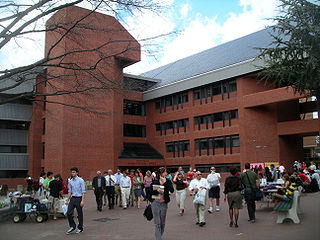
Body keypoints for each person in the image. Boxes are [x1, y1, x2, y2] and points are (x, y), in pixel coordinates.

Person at [149, 167, 174, 240]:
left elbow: (172, 190)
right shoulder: (155, 181)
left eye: (166, 172)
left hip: (164, 203)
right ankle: (158, 238)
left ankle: (159, 236)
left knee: (162, 223)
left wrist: (165, 182)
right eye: (164, 172)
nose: (166, 173)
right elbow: (150, 191)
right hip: (155, 203)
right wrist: (157, 191)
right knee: (157, 223)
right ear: (160, 173)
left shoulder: (168, 181)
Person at [65, 167, 85, 234]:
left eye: (74, 172)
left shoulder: (81, 180)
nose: (72, 173)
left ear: (77, 173)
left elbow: (83, 191)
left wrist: (82, 200)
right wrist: (67, 200)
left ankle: (80, 228)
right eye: (72, 172)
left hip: (79, 198)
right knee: (69, 212)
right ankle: (72, 226)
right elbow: (70, 191)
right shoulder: (70, 181)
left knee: (79, 214)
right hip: (73, 198)